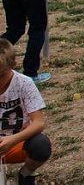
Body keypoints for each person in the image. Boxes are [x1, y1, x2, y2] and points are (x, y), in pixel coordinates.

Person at [0, 39, 53, 184]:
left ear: (13, 65)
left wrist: (12, 140)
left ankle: (26, 174)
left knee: (41, 145)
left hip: (15, 142)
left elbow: (39, 122)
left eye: (2, 75)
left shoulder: (24, 83)